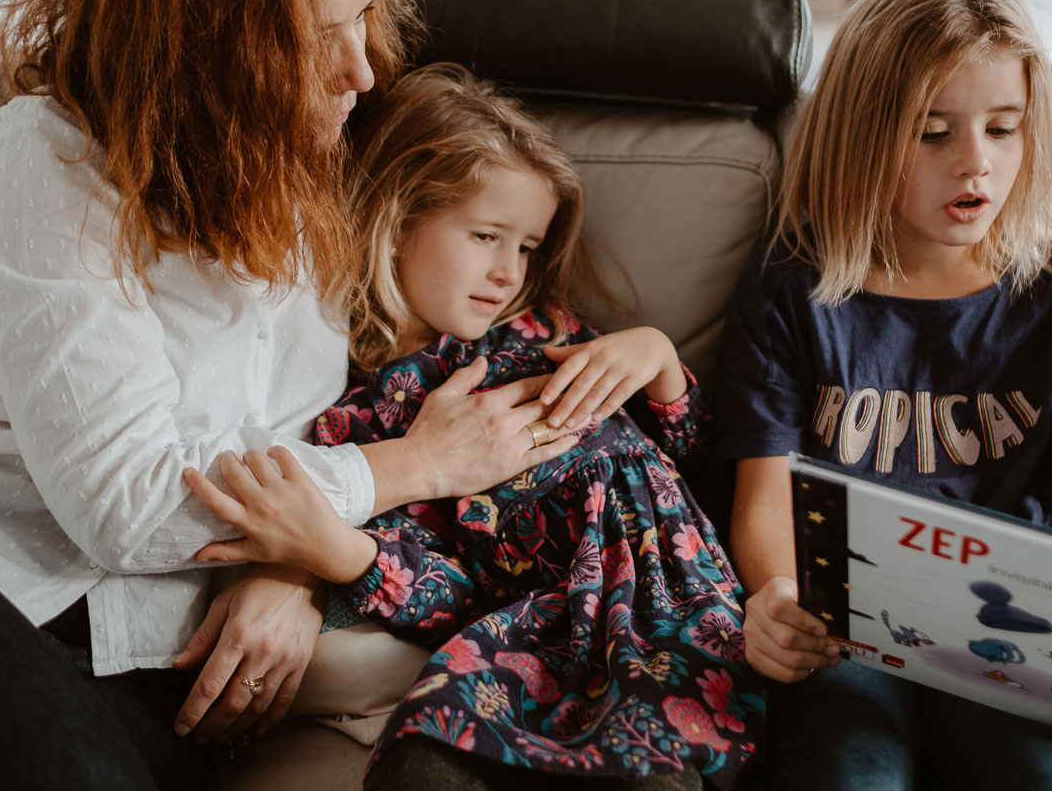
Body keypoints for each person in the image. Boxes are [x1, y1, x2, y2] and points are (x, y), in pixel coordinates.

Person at [0, 0, 577, 789]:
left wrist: (292, 574)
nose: (363, 70)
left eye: (363, 20)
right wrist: (411, 466)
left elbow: (325, 418)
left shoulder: (321, 163)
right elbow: (129, 506)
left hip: (147, 643)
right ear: (202, 40)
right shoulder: (49, 159)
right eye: (316, 35)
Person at [182, 62, 764, 791]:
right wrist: (334, 553)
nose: (508, 272)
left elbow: (687, 456)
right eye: (486, 236)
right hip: (532, 634)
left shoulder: (551, 334)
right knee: (424, 760)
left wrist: (657, 356)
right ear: (398, 222)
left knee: (657, 759)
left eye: (526, 247)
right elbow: (447, 593)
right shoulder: (366, 419)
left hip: (671, 607)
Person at [712, 0, 1052, 791]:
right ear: (862, 132)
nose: (975, 165)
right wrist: (775, 597)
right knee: (852, 774)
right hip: (843, 629)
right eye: (933, 131)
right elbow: (763, 500)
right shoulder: (793, 287)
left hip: (1020, 633)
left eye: (1003, 127)